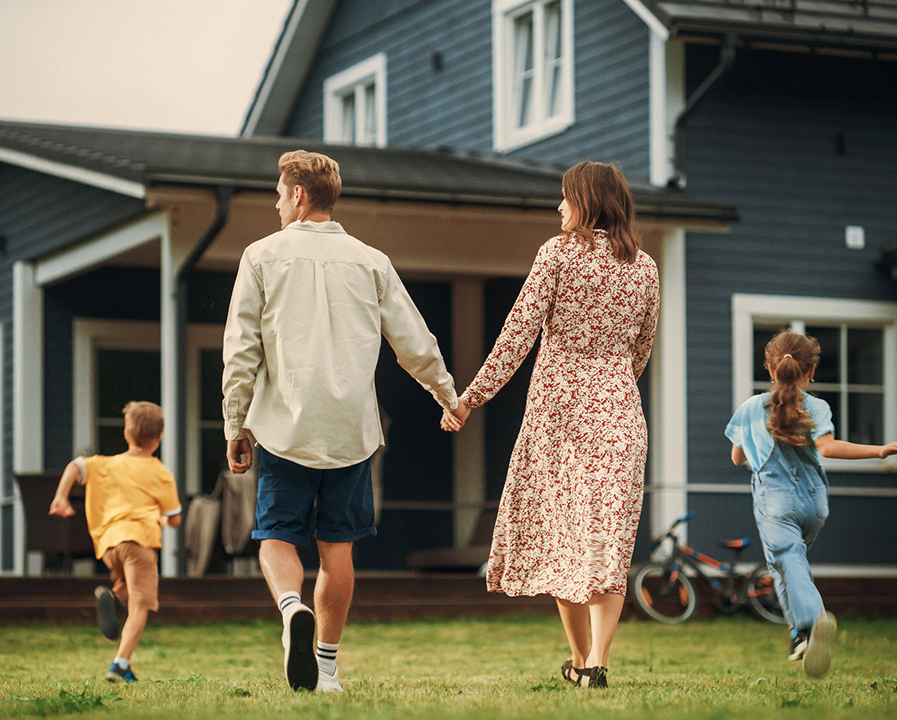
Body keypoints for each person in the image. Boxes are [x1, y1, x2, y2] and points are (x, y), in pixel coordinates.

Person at [222, 149, 459, 693]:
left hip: (285, 428)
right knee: (338, 548)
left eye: (281, 194)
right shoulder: (371, 260)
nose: (278, 203)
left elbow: (241, 351)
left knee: (276, 537)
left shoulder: (260, 256)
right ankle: (326, 668)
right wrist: (447, 394)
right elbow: (413, 341)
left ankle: (290, 610)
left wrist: (236, 425)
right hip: (352, 432)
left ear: (299, 196)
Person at [442, 161, 660, 689]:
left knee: (563, 540)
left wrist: (471, 398)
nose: (558, 208)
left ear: (584, 201)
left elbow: (516, 334)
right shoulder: (645, 266)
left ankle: (580, 659)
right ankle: (598, 662)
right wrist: (609, 384)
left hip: (558, 422)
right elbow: (641, 348)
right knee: (608, 544)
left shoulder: (557, 255)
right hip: (620, 418)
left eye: (565, 198)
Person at [725, 330, 897, 678]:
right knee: (786, 563)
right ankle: (800, 638)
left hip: (775, 502)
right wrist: (880, 450)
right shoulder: (817, 406)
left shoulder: (750, 409)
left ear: (770, 370)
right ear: (811, 372)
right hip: (815, 504)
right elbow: (828, 448)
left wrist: (752, 443)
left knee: (786, 559)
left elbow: (737, 458)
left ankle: (813, 621)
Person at [48, 400, 182, 683]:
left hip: (109, 544)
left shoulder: (106, 464)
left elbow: (76, 465)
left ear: (126, 434)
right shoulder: (161, 473)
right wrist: (163, 517)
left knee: (129, 589)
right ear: (159, 439)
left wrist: (61, 496)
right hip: (139, 542)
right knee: (142, 605)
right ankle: (120, 664)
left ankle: (112, 596)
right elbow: (174, 518)